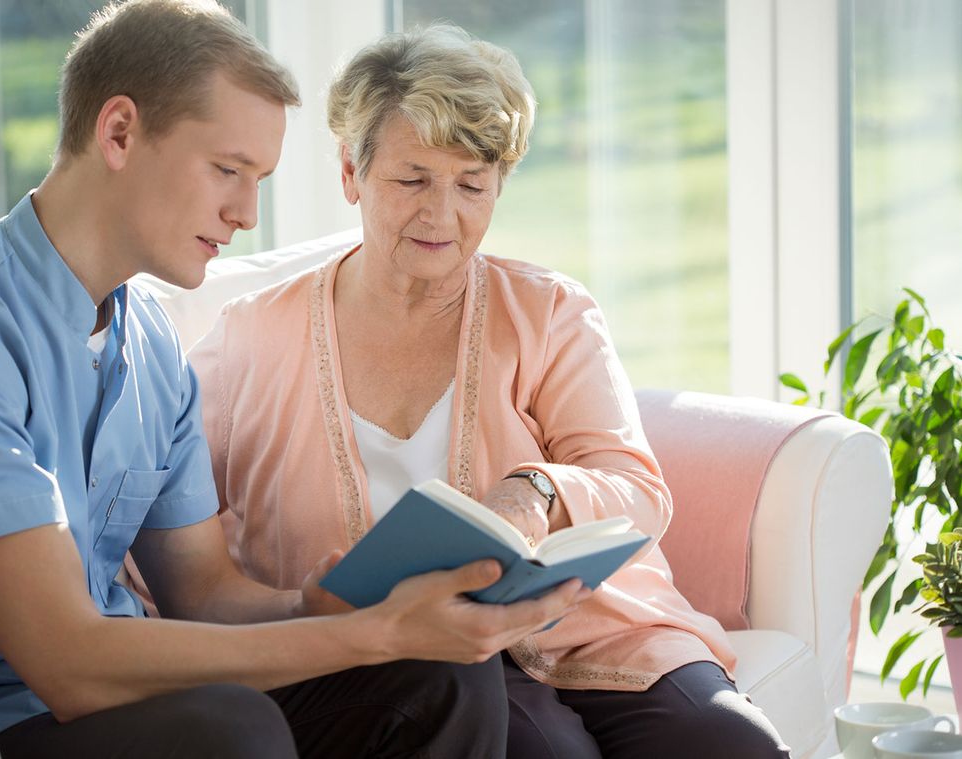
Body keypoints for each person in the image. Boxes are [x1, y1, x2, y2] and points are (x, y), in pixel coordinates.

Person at [0, 3, 585, 758]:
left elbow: (205, 595)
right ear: (118, 132)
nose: (247, 213)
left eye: (258, 179)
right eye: (228, 170)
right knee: (229, 727)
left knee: (438, 677)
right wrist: (365, 633)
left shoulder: (149, 340)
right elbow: (69, 666)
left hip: (131, 696)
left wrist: (313, 604)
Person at [190, 24, 792, 759]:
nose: (442, 215)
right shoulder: (247, 339)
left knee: (732, 742)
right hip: (413, 659)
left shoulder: (548, 312)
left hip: (595, 627)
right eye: (411, 179)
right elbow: (170, 528)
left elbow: (634, 486)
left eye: (471, 185)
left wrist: (536, 490)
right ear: (351, 171)